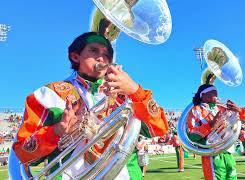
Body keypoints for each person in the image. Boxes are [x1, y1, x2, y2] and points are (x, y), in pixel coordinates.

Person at [12, 32, 168, 179]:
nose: (102, 58)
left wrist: (135, 90)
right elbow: (24, 153)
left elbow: (159, 129)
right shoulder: (49, 94)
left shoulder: (126, 93)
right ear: (75, 56)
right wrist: (57, 131)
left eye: (107, 55)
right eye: (94, 51)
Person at [187, 84, 245, 180]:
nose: (216, 93)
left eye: (216, 91)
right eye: (212, 92)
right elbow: (191, 135)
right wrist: (210, 124)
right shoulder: (195, 110)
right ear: (203, 95)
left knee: (232, 177)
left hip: (227, 151)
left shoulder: (221, 108)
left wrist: (239, 110)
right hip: (211, 153)